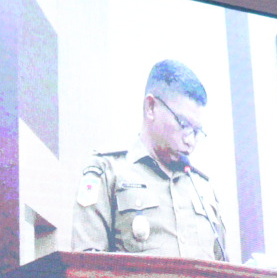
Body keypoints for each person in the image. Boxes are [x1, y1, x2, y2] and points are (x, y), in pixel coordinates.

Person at [71, 60, 228, 262]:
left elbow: (223, 272)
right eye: (183, 124)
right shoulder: (108, 170)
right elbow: (86, 270)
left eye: (197, 131)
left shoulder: (203, 188)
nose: (190, 140)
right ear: (151, 107)